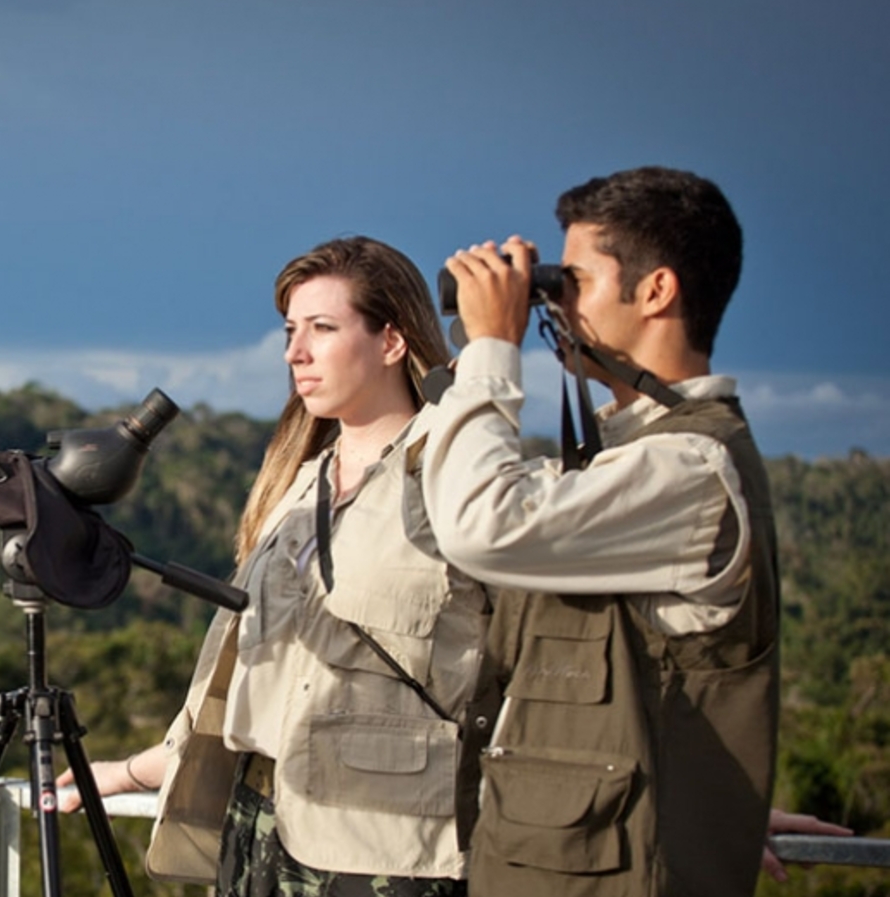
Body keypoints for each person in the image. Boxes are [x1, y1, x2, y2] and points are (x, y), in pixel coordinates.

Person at [62, 236, 485, 896]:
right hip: (259, 823)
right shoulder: (296, 482)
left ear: (392, 342)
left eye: (322, 328)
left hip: (388, 848)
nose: (294, 352)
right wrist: (126, 772)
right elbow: (254, 682)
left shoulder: (460, 470)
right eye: (291, 330)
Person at [424, 166, 780, 896]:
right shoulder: (630, 460)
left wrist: (495, 349)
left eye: (573, 280)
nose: (555, 301)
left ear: (656, 291)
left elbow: (480, 526)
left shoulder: (693, 467)